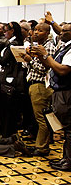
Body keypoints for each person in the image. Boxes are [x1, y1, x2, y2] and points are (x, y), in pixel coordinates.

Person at [31, 22, 71, 171]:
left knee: (68, 128)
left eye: (65, 32)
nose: (61, 33)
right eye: (61, 31)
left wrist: (45, 55)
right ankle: (65, 158)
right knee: (66, 128)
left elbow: (62, 70)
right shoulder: (64, 46)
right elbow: (50, 65)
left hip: (66, 91)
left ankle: (68, 161)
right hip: (59, 90)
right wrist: (41, 57)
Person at [19, 23, 56, 156]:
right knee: (38, 117)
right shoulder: (37, 47)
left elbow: (45, 68)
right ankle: (40, 144)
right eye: (35, 30)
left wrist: (30, 60)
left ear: (47, 33)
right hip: (34, 84)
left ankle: (42, 147)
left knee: (42, 118)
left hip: (41, 85)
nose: (35, 33)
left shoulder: (48, 48)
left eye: (40, 31)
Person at [0, 22, 26, 137]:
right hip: (10, 78)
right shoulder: (15, 43)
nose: (4, 33)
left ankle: (6, 134)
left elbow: (2, 60)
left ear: (13, 31)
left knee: (7, 110)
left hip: (10, 80)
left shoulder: (14, 44)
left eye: (6, 30)